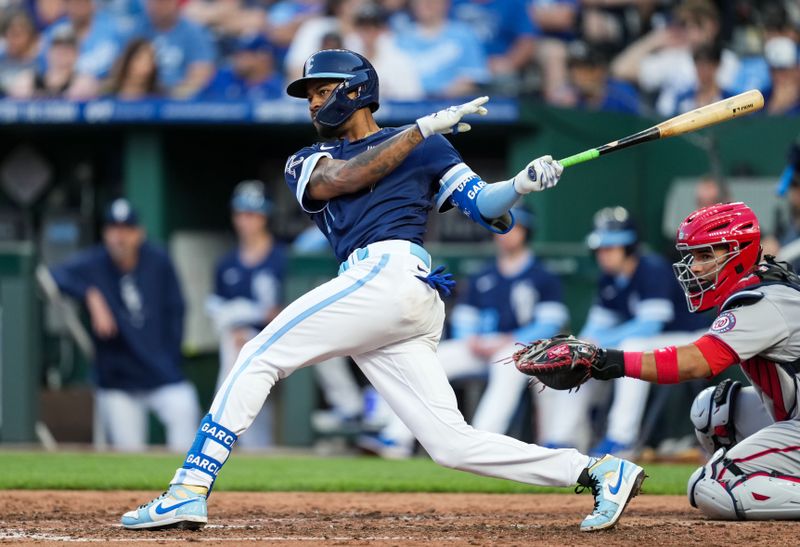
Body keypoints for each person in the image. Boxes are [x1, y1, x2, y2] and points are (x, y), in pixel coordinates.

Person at [121, 48, 645, 532]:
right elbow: (345, 178)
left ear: (355, 90)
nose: (314, 103)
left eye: (322, 91)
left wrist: (521, 184)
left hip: (394, 277)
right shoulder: (306, 160)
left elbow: (485, 206)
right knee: (451, 444)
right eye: (309, 95)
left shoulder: (428, 145)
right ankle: (599, 471)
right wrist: (417, 131)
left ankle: (189, 487)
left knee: (258, 353)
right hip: (381, 288)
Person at [537, 201, 800, 520]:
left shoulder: (762, 300)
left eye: (706, 255)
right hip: (791, 417)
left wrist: (607, 361)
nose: (696, 267)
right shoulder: (760, 285)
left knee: (713, 487)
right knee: (714, 411)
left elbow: (696, 363)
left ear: (738, 252)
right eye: (694, 256)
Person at [361, 206, 570, 457]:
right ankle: (395, 439)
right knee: (432, 359)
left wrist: (510, 340)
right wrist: (471, 339)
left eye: (514, 227)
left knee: (507, 366)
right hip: (480, 347)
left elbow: (550, 324)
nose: (505, 233)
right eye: (502, 227)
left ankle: (480, 445)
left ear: (526, 232)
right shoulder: (485, 274)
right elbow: (464, 317)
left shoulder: (542, 276)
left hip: (521, 349)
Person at [50, 198, 199, 452]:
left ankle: (185, 487)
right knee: (128, 453)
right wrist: (90, 293)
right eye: (113, 229)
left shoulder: (158, 260)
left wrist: (170, 357)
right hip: (117, 378)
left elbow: (177, 310)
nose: (119, 237)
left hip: (160, 372)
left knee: (185, 409)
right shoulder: (93, 263)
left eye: (126, 230)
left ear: (139, 233)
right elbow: (52, 275)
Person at [560, 206, 710, 457]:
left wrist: (598, 342)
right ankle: (563, 439)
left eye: (609, 249)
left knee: (632, 347)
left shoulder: (652, 268)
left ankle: (622, 439)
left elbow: (651, 324)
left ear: (628, 247)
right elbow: (597, 325)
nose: (602, 256)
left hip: (693, 338)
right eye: (600, 250)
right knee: (579, 358)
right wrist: (581, 345)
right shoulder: (609, 278)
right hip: (654, 340)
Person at [206, 181, 287, 449]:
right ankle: (244, 440)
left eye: (252, 214)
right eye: (241, 213)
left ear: (264, 216)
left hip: (283, 339)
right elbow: (216, 310)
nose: (245, 221)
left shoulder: (282, 257)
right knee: (235, 345)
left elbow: (289, 307)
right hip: (243, 341)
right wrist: (239, 325)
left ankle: (220, 426)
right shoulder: (226, 263)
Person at [395, 0, 490, 98]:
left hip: (453, 104)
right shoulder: (400, 38)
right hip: (409, 105)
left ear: (445, 4)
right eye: (420, 2)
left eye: (431, 2)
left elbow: (474, 78)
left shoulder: (464, 34)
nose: (425, 5)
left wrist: (443, 96)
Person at [133, 0, 217, 98]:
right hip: (143, 96)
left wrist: (172, 97)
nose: (157, 7)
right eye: (152, 2)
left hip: (180, 101)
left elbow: (201, 73)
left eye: (163, 2)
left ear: (175, 3)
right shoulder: (139, 28)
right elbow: (123, 68)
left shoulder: (193, 32)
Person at [198, 34, 283, 101]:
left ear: (263, 56)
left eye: (245, 54)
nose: (238, 59)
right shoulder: (221, 78)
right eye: (238, 54)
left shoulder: (277, 86)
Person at [0, 10, 40, 97]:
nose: (15, 40)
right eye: (11, 34)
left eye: (18, 35)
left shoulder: (39, 63)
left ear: (29, 37)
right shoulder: (1, 59)